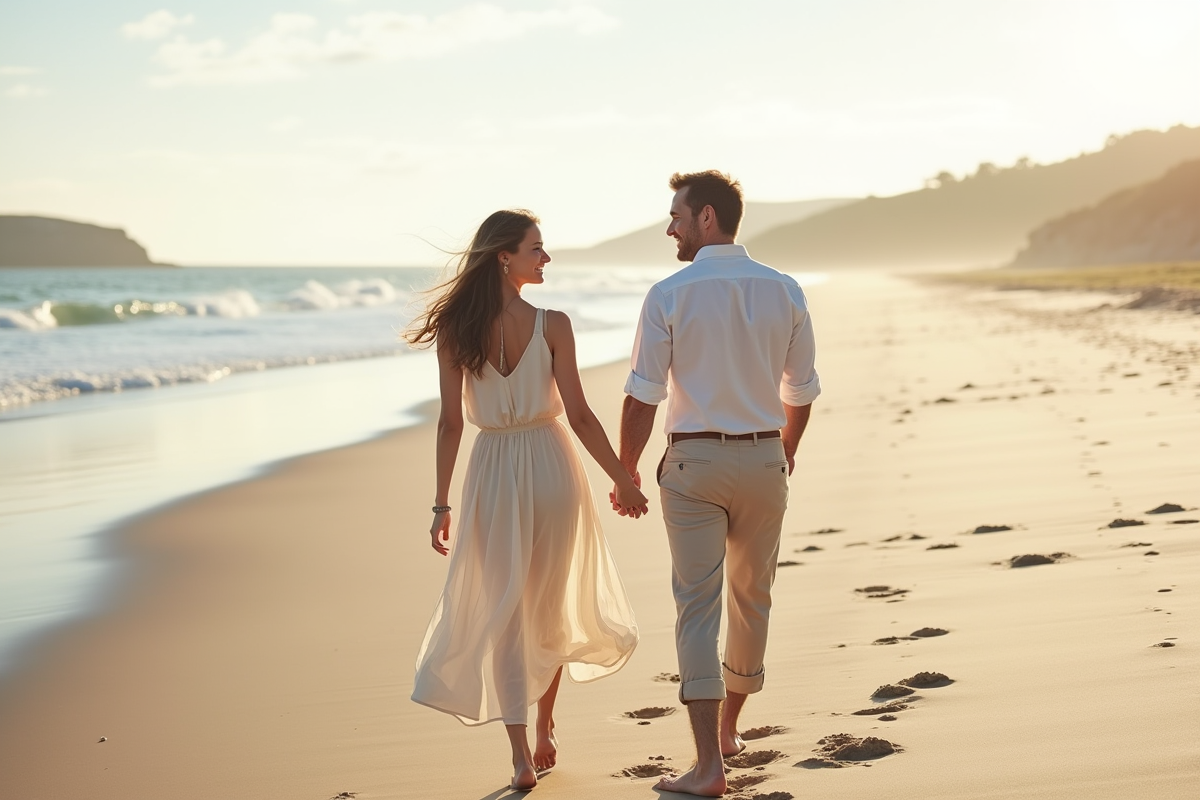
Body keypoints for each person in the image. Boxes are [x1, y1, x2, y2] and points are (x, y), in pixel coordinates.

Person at [407, 209, 647, 792]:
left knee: (507, 612)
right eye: (536, 248)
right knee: (548, 604)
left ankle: (520, 755)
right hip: (551, 464)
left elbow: (449, 424)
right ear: (503, 256)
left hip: (491, 470)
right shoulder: (553, 324)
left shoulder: (456, 331)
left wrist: (440, 504)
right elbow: (580, 415)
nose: (546, 258)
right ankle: (544, 728)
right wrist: (622, 478)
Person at [615, 172, 821, 796]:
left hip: (694, 466)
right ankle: (729, 728)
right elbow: (801, 391)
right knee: (752, 598)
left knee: (697, 608)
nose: (670, 228)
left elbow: (643, 394)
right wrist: (784, 451)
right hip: (764, 459)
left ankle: (708, 766)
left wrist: (626, 470)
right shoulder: (784, 289)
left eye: (676, 216)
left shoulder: (668, 293)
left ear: (706, 217)